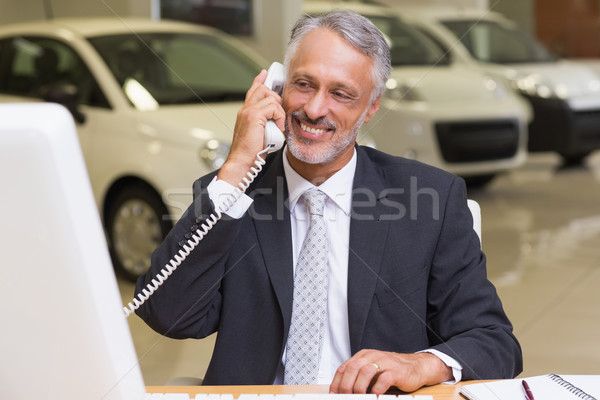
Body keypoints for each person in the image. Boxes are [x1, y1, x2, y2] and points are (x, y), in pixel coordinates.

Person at [135, 10, 522, 394]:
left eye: (340, 93)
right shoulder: (233, 195)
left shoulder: (431, 200)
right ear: (277, 85)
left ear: (371, 106)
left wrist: (421, 363)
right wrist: (237, 166)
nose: (315, 109)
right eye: (304, 84)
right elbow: (167, 314)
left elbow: (495, 342)